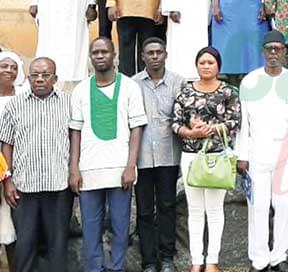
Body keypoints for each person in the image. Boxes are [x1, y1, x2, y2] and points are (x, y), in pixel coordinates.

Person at [69, 37, 147, 272]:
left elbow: (137, 129)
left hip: (120, 170)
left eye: (104, 51)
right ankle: (94, 269)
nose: (100, 56)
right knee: (90, 228)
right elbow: (75, 132)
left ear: (115, 56)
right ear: (90, 57)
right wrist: (74, 168)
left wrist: (131, 165)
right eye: (95, 52)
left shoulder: (130, 87)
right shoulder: (81, 90)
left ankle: (116, 268)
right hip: (88, 171)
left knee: (120, 226)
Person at [236, 31, 288, 272]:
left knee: (285, 206)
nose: (273, 53)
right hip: (256, 154)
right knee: (258, 207)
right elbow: (244, 123)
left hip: (286, 154)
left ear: (285, 51)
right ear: (263, 51)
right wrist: (242, 155)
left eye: (278, 48)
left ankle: (279, 257)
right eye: (269, 49)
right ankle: (259, 259)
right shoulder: (250, 81)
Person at [172, 46, 241, 272]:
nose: (206, 66)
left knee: (214, 209)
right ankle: (196, 261)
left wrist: (211, 129)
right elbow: (175, 122)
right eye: (202, 62)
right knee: (194, 210)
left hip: (218, 157)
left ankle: (212, 260)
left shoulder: (229, 92)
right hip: (192, 156)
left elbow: (235, 121)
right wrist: (191, 133)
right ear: (196, 65)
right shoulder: (186, 92)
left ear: (218, 65)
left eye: (210, 62)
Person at [0, 56, 71, 272]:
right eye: (35, 75)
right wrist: (8, 180)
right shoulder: (14, 105)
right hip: (23, 187)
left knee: (57, 245)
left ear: (55, 78)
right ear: (28, 78)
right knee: (25, 245)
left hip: (58, 185)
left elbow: (75, 139)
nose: (39, 79)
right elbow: (6, 144)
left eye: (45, 75)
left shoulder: (68, 103)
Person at [132, 38, 185, 272]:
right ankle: (149, 261)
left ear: (165, 55)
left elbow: (183, 117)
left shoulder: (178, 82)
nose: (154, 56)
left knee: (167, 206)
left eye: (158, 52)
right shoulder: (132, 84)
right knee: (144, 211)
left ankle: (166, 258)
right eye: (150, 53)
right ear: (143, 57)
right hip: (141, 158)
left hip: (168, 156)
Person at [0, 52, 25, 269]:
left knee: (13, 224)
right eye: (4, 66)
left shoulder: (23, 97)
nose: (9, 70)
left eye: (13, 67)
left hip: (18, 170)